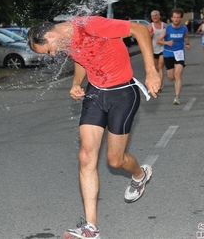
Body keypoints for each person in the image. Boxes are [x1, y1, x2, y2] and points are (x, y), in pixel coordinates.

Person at [28, 16, 160, 239]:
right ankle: (90, 228)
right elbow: (81, 59)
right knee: (85, 156)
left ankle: (140, 174)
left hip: (122, 94)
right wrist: (76, 83)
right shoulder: (65, 40)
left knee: (115, 160)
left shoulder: (90, 25)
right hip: (95, 93)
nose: (52, 54)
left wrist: (151, 71)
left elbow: (139, 29)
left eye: (48, 50)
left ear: (50, 36)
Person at [157, 8, 191, 105]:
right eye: (174, 17)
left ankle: (177, 97)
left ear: (181, 19)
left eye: (178, 17)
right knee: (171, 77)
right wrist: (167, 42)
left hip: (179, 53)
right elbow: (158, 40)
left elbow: (186, 36)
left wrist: (187, 43)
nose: (176, 19)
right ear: (171, 18)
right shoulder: (167, 29)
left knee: (178, 75)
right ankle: (175, 87)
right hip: (168, 54)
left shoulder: (184, 29)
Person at [148, 10, 167, 91]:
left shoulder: (165, 25)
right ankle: (157, 82)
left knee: (160, 66)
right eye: (153, 16)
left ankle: (160, 85)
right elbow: (146, 38)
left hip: (163, 48)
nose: (155, 17)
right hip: (153, 49)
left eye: (156, 15)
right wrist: (150, 35)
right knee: (156, 68)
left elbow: (169, 35)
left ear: (159, 16)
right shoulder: (150, 26)